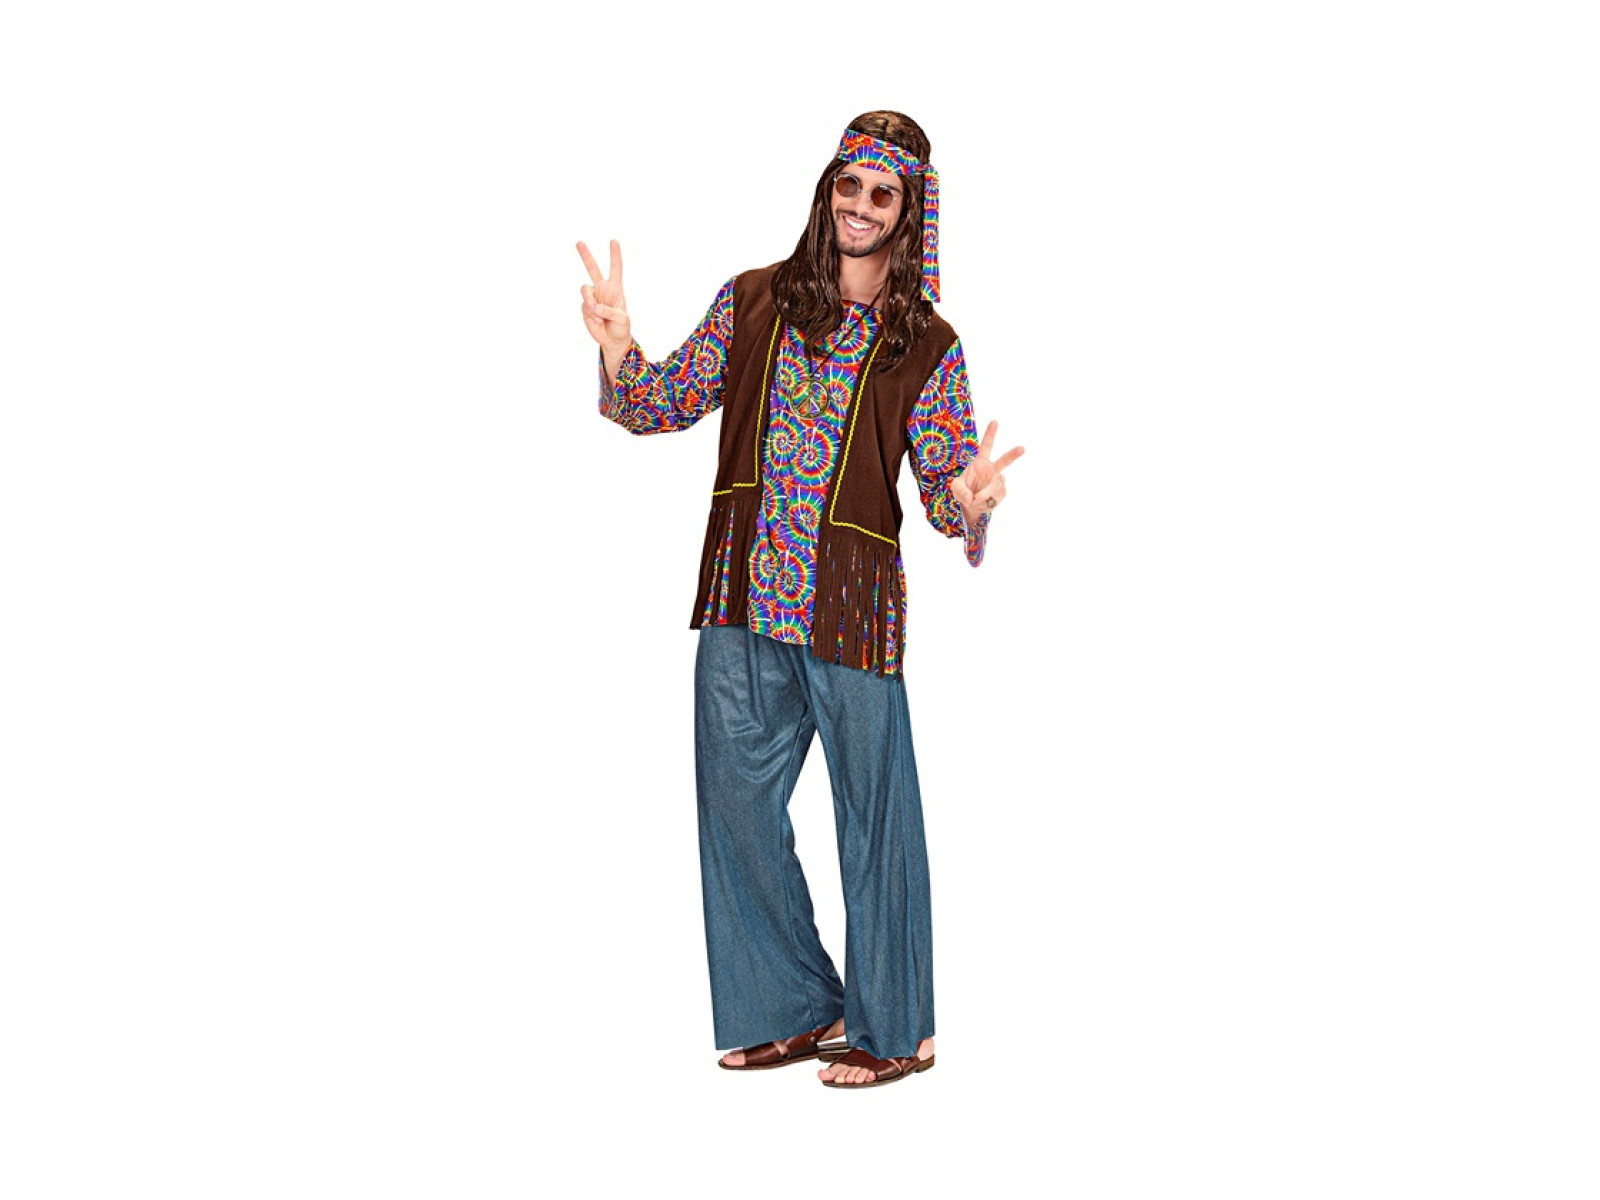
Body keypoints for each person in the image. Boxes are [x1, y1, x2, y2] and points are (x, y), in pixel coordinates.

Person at [577, 111, 1022, 1088]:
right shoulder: (755, 300)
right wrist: (617, 347)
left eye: (882, 194)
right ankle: (791, 1005)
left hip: (848, 608)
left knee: (875, 818)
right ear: (829, 190)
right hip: (743, 597)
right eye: (848, 185)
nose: (860, 207)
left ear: (909, 212)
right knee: (735, 807)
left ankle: (897, 1029)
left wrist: (968, 499)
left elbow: (947, 480)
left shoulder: (926, 345)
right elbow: (659, 402)